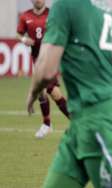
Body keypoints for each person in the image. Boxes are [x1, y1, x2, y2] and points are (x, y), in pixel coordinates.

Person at [26, 0, 112, 187]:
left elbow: (46, 71)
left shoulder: (65, 6)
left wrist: (33, 92)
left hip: (99, 126)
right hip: (80, 129)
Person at [17, 0, 70, 138]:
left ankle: (71, 123)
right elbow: (19, 34)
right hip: (37, 58)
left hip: (51, 56)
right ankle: (49, 124)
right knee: (44, 92)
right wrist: (24, 40)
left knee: (51, 90)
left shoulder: (53, 14)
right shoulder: (25, 16)